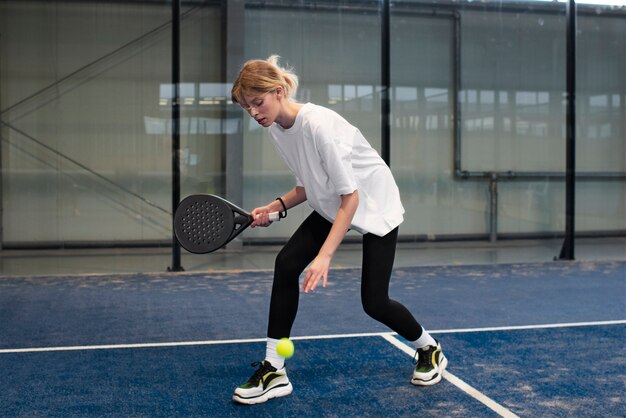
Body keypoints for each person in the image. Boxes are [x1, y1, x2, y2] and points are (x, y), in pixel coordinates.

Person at [230, 55, 447, 405]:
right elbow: (307, 185)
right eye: (247, 107)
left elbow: (352, 196)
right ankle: (274, 369)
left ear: (279, 91)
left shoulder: (318, 126)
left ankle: (429, 348)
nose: (254, 113)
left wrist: (324, 256)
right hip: (333, 199)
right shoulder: (276, 130)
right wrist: (276, 207)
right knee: (286, 264)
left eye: (258, 102)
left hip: (374, 203)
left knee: (374, 303)